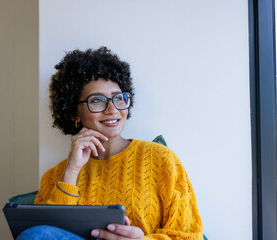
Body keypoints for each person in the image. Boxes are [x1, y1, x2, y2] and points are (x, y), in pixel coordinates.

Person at [19, 47, 203, 240]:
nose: (112, 109)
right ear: (74, 113)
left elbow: (190, 235)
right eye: (97, 100)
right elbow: (44, 235)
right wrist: (71, 172)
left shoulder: (161, 160)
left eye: (118, 98)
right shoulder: (54, 177)